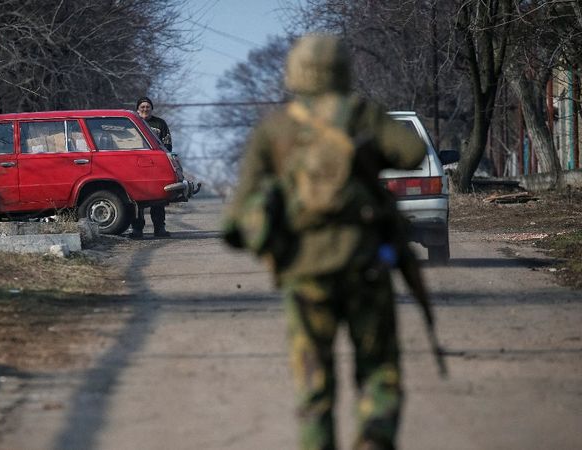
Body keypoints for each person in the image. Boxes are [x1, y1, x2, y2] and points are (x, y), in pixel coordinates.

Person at [223, 33, 427, 450]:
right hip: (366, 266)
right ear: (344, 70)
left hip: (304, 277)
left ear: (293, 72)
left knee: (314, 388)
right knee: (377, 373)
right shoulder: (362, 115)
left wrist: (273, 239)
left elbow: (235, 223)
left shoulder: (274, 130)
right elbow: (412, 152)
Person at [130, 96, 173, 238]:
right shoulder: (131, 123)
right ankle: (137, 229)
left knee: (158, 198)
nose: (145, 109)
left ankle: (159, 228)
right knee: (135, 199)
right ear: (137, 109)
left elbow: (168, 144)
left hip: (155, 167)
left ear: (152, 108)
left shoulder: (160, 123)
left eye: (148, 107)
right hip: (134, 167)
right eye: (142, 107)